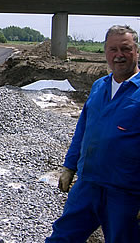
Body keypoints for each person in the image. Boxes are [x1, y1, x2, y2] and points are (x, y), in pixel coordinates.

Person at [46, 25, 140, 243]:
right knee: (62, 236)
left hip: (125, 192)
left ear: (136, 50)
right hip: (87, 185)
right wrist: (69, 166)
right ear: (105, 52)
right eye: (112, 49)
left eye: (125, 49)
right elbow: (83, 129)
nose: (118, 55)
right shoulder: (99, 86)